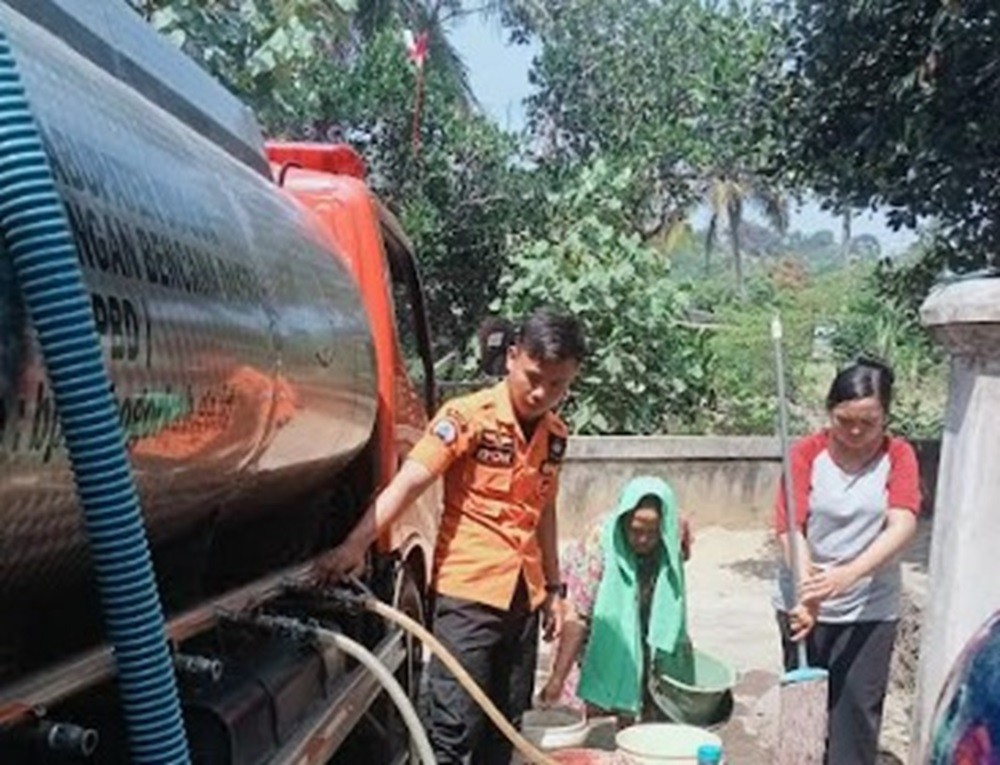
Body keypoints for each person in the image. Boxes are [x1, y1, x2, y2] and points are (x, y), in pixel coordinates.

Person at [314, 308, 586, 765]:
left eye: (558, 385)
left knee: (505, 725)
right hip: (469, 597)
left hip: (525, 598)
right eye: (534, 377)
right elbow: (408, 483)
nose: (543, 393)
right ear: (513, 358)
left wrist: (555, 590)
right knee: (453, 728)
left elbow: (544, 511)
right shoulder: (467, 418)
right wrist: (355, 544)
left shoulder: (555, 436)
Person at [774, 358, 921, 765]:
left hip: (870, 608)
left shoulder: (899, 456)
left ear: (885, 417)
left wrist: (848, 575)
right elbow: (791, 527)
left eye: (868, 422)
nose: (856, 432)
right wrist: (808, 593)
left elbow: (903, 524)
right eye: (845, 420)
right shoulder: (806, 454)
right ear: (829, 411)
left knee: (855, 716)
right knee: (806, 720)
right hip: (805, 603)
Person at [538, 476, 693, 723]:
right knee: (593, 711)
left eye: (652, 533)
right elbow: (577, 617)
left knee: (642, 711)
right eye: (635, 530)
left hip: (641, 630)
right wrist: (556, 678)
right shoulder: (599, 542)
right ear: (623, 521)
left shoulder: (673, 533)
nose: (643, 540)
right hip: (597, 636)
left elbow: (675, 579)